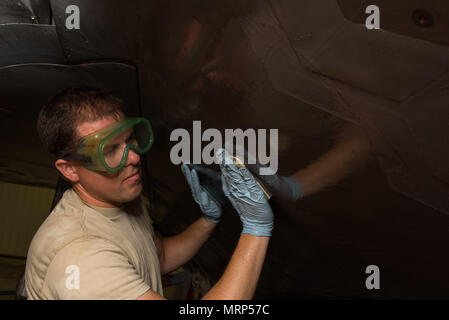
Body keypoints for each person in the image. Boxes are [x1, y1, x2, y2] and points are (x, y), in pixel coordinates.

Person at [24, 86, 273, 300]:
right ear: (70, 169)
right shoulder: (81, 259)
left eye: (130, 139)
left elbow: (158, 258)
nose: (133, 157)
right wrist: (256, 228)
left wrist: (209, 219)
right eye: (110, 150)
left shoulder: (118, 198)